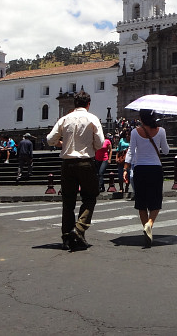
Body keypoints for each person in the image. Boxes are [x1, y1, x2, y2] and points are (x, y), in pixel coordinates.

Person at [46, 90, 104, 251]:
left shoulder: (64, 119)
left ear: (74, 104)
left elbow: (50, 140)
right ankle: (79, 229)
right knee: (90, 197)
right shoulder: (92, 119)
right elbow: (99, 144)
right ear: (88, 104)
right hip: (86, 163)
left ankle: (66, 238)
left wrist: (62, 144)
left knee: (68, 201)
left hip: (67, 164)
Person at [124, 109, 170, 247]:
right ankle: (150, 224)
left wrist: (126, 168)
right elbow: (166, 151)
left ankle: (146, 226)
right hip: (155, 169)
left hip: (140, 169)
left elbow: (131, 151)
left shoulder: (134, 132)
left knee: (142, 202)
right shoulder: (161, 131)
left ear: (141, 118)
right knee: (156, 200)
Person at [115, 129, 131, 194]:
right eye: (126, 134)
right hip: (121, 158)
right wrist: (116, 158)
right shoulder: (122, 140)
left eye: (128, 134)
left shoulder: (132, 141)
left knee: (129, 174)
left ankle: (127, 186)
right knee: (120, 174)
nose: (127, 135)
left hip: (129, 159)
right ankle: (121, 188)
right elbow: (118, 149)